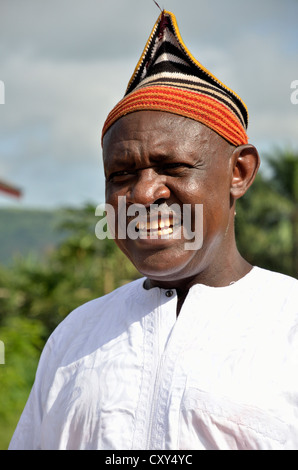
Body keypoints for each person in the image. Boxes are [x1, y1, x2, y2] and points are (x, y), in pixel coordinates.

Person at [9, 10, 298, 450]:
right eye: (121, 174)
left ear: (239, 172)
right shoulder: (75, 335)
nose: (143, 194)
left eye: (173, 167)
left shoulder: (288, 325)